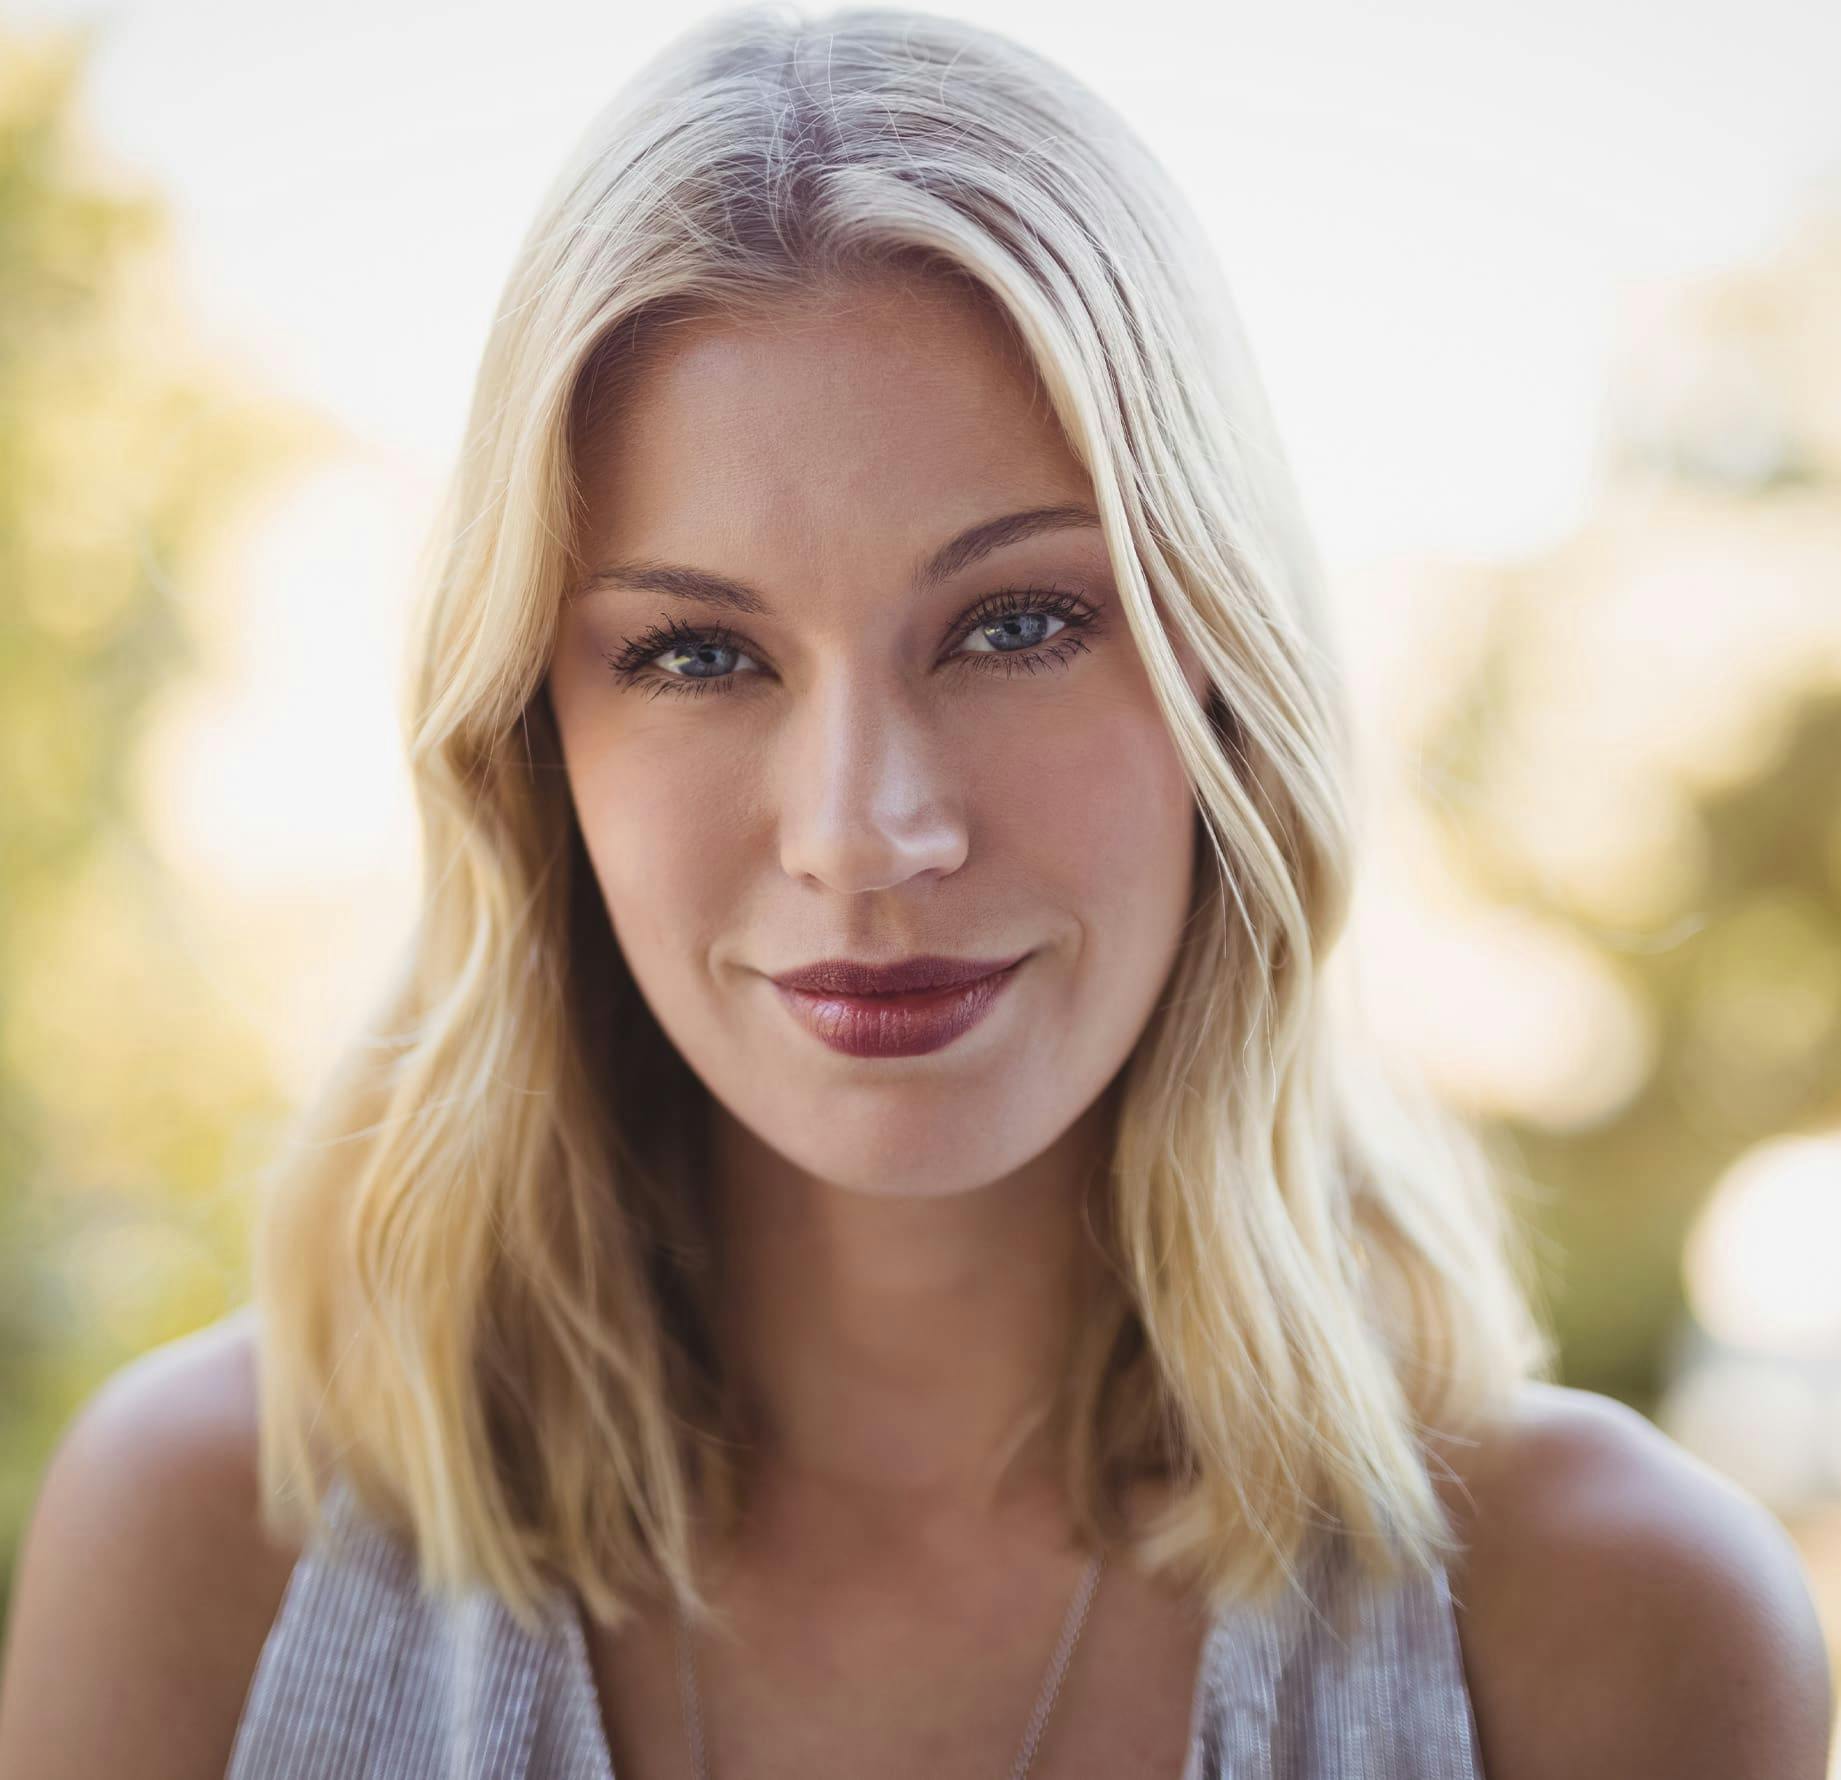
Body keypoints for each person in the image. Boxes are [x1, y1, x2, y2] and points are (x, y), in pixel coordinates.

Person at [0, 7, 1831, 1778]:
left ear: (1221, 676)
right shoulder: (211, 1552)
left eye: (1017, 621)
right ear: (533, 738)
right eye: (699, 654)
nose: (866, 833)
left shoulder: (1612, 1627)